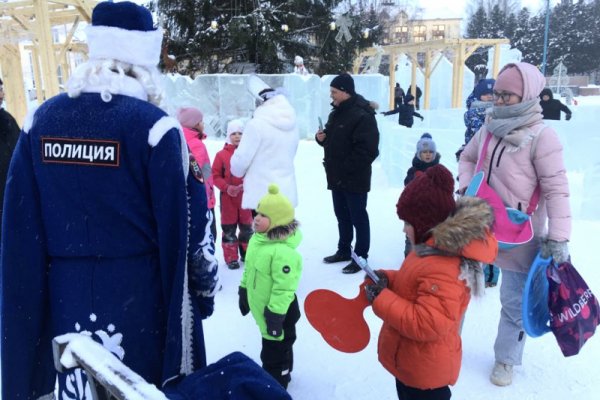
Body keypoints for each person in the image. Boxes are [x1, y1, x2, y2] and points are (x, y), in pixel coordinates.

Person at [0, 2, 219, 398]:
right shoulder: (154, 129)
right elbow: (189, 228)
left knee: (77, 384)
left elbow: (19, 231)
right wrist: (201, 294)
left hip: (64, 296)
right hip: (140, 302)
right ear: (145, 62)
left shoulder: (40, 122)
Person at [458, 62, 571, 387]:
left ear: (527, 95)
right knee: (459, 286)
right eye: (498, 94)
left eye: (508, 95)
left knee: (513, 302)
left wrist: (559, 237)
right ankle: (446, 341)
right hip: (478, 223)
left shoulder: (543, 137)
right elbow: (467, 157)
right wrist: (467, 187)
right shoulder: (489, 126)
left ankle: (506, 359)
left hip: (522, 234)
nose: (500, 100)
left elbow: (557, 188)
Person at [365, 164, 497, 400]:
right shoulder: (427, 250)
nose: (404, 229)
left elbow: (427, 323)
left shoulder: (445, 267)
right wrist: (388, 279)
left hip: (426, 374)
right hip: (411, 364)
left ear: (425, 223)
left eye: (408, 223)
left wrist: (383, 299)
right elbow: (413, 285)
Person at [238, 184, 302, 389]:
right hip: (266, 312)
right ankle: (282, 371)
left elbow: (284, 288)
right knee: (276, 347)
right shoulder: (258, 240)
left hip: (279, 313)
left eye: (264, 215)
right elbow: (249, 268)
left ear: (277, 221)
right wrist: (244, 289)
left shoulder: (282, 252)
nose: (256, 218)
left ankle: (276, 384)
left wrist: (275, 315)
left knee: (274, 353)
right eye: (257, 212)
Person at [315, 73, 380, 274]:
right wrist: (322, 138)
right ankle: (344, 250)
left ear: (345, 92)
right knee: (342, 215)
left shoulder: (363, 115)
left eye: (334, 92)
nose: (331, 95)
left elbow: (368, 150)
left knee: (358, 217)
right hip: (337, 176)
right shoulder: (337, 112)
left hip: (354, 177)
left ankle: (360, 257)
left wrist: (346, 168)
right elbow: (332, 139)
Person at [231, 75, 299, 211]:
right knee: (282, 231)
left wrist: (235, 167)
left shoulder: (256, 125)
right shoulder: (292, 124)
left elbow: (240, 163)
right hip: (285, 192)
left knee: (264, 232)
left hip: (262, 194)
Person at [457, 78, 500, 287]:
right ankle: (476, 268)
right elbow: (473, 145)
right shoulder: (474, 114)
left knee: (494, 226)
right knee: (476, 224)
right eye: (486, 95)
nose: (490, 99)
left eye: (493, 95)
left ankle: (491, 272)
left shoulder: (498, 115)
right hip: (477, 175)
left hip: (493, 176)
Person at [212, 119, 253, 269]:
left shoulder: (248, 154)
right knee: (229, 229)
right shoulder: (221, 155)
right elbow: (215, 176)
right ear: (228, 135)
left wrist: (248, 185)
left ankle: (248, 254)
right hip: (228, 198)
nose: (237, 136)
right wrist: (227, 187)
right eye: (233, 133)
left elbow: (255, 173)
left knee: (247, 228)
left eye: (240, 133)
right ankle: (231, 258)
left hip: (245, 198)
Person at [178, 106, 217, 240]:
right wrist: (209, 192)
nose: (203, 124)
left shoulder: (179, 139)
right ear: (194, 123)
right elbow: (199, 174)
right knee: (208, 237)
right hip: (203, 200)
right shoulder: (195, 144)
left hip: (189, 200)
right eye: (201, 121)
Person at [402, 133, 440, 257]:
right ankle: (409, 260)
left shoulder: (439, 171)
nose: (428, 154)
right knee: (412, 240)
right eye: (424, 152)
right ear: (419, 153)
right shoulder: (413, 171)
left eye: (430, 151)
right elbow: (407, 189)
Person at [0, 77, 20, 227]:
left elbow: (20, 152)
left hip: (11, 193)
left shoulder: (7, 120)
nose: (2, 95)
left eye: (1, 90)